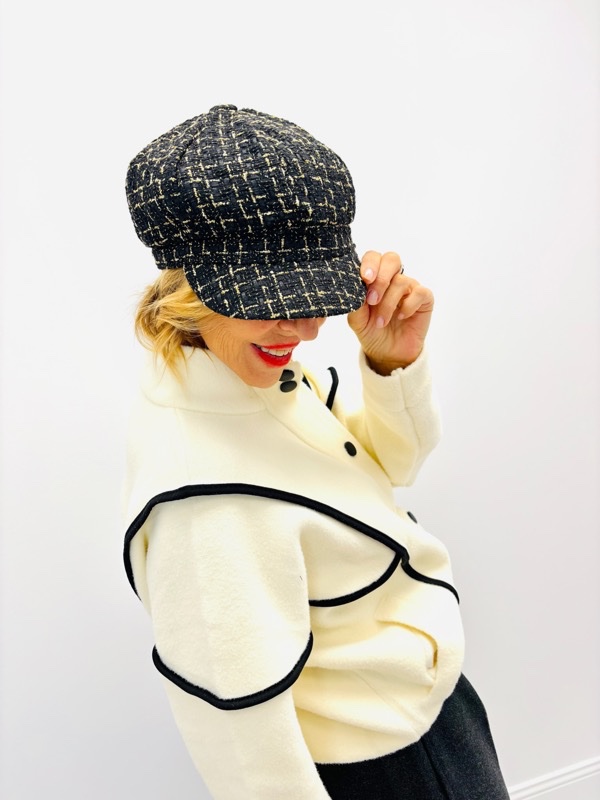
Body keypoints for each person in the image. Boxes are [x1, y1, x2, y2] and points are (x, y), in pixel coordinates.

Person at [122, 104, 509, 799]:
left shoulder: (243, 373)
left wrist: (389, 362)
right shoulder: (201, 497)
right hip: (381, 765)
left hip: (427, 713)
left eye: (313, 293)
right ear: (187, 287)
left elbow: (392, 466)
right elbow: (240, 734)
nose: (304, 328)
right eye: (274, 298)